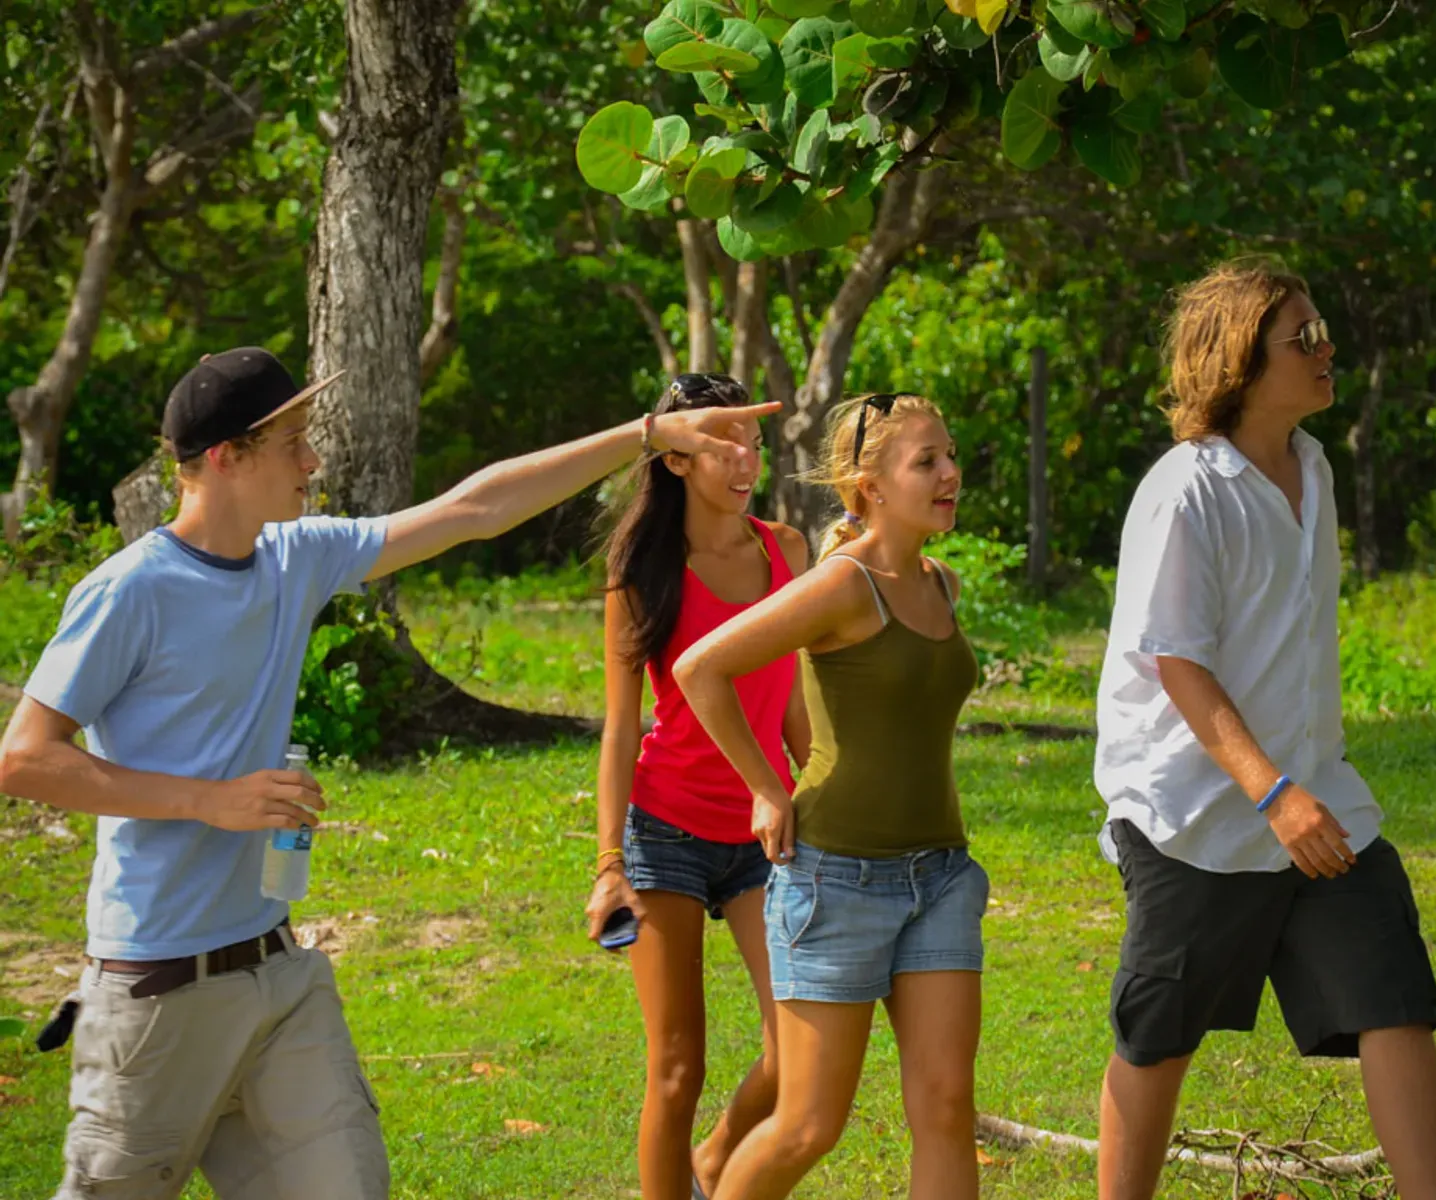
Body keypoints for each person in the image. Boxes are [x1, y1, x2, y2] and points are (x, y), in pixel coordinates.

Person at [0, 346, 776, 1200]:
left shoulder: (296, 559)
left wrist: (646, 434)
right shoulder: (130, 591)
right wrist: (209, 802)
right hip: (154, 993)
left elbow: (476, 507)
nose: (313, 460)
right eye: (293, 441)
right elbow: (26, 757)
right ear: (226, 457)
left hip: (274, 972)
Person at [1092, 262, 1436, 1200]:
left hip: (1313, 794)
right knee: (1158, 1035)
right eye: (1304, 336)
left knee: (1395, 1002)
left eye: (1321, 328)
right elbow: (1177, 661)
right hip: (1197, 815)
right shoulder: (1187, 489)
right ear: (1241, 361)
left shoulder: (1313, 466)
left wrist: (1298, 789)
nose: (1326, 348)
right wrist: (1271, 793)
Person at [673, 393, 987, 1200]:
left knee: (948, 1108)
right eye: (927, 462)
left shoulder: (941, 583)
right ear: (869, 485)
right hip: (835, 881)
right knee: (811, 1123)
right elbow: (700, 669)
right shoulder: (845, 585)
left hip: (941, 879)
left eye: (950, 455)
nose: (950, 473)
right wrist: (767, 788)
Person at [584, 372, 811, 1200]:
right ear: (675, 456)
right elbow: (620, 727)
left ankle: (716, 1163)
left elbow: (790, 699)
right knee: (676, 1069)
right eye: (723, 442)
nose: (744, 458)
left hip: (765, 837)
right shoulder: (642, 569)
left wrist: (816, 790)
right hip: (667, 831)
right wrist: (609, 860)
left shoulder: (786, 549)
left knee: (796, 1061)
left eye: (753, 440)